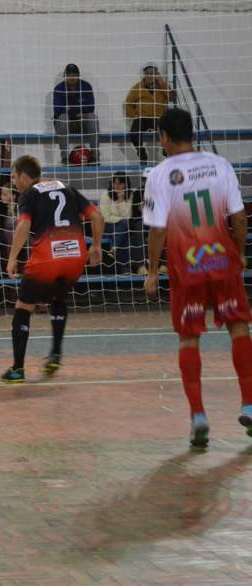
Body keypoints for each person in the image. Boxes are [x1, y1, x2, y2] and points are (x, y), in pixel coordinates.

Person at [142, 108, 252, 448]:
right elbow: (240, 218)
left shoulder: (159, 174)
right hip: (222, 262)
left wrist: (150, 270)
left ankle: (198, 416)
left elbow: (158, 231)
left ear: (163, 137)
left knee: (189, 339)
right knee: (239, 328)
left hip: (186, 268)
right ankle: (249, 403)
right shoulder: (219, 165)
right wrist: (238, 251)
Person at [2, 155, 104, 383]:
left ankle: (17, 369)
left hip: (47, 259)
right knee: (58, 298)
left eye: (14, 177)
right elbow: (97, 216)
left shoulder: (28, 194)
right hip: (75, 257)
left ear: (25, 177)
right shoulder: (67, 188)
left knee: (23, 306)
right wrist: (96, 246)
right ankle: (56, 353)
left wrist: (12, 257)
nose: (14, 183)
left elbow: (24, 224)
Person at [125, 64, 174, 165]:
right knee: (134, 132)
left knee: (168, 129)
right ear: (144, 75)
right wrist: (134, 114)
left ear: (157, 75)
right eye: (148, 73)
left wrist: (162, 83)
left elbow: (172, 97)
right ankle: (142, 152)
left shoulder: (162, 87)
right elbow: (128, 104)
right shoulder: (137, 87)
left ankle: (166, 150)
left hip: (158, 118)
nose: (150, 76)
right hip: (142, 118)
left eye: (153, 73)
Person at [53, 63, 100, 165]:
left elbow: (91, 107)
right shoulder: (59, 88)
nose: (72, 77)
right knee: (63, 118)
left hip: (83, 123)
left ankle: (95, 156)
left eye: (74, 74)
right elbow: (57, 110)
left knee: (92, 117)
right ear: (65, 76)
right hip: (66, 124)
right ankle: (65, 158)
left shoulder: (86, 86)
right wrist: (77, 112)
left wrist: (69, 109)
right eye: (69, 74)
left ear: (78, 75)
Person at [100, 172, 145, 275]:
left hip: (124, 227)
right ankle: (124, 265)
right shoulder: (105, 196)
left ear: (126, 184)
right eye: (115, 183)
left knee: (125, 232)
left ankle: (118, 258)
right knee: (124, 226)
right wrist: (120, 219)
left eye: (120, 183)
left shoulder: (131, 195)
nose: (117, 186)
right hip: (108, 226)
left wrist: (121, 200)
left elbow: (129, 215)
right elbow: (105, 217)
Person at [0, 178, 18, 263]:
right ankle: (9, 263)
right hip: (3, 232)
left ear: (14, 196)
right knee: (10, 235)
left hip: (18, 232)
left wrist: (14, 211)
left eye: (5, 194)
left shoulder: (20, 205)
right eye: (1, 194)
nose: (2, 196)